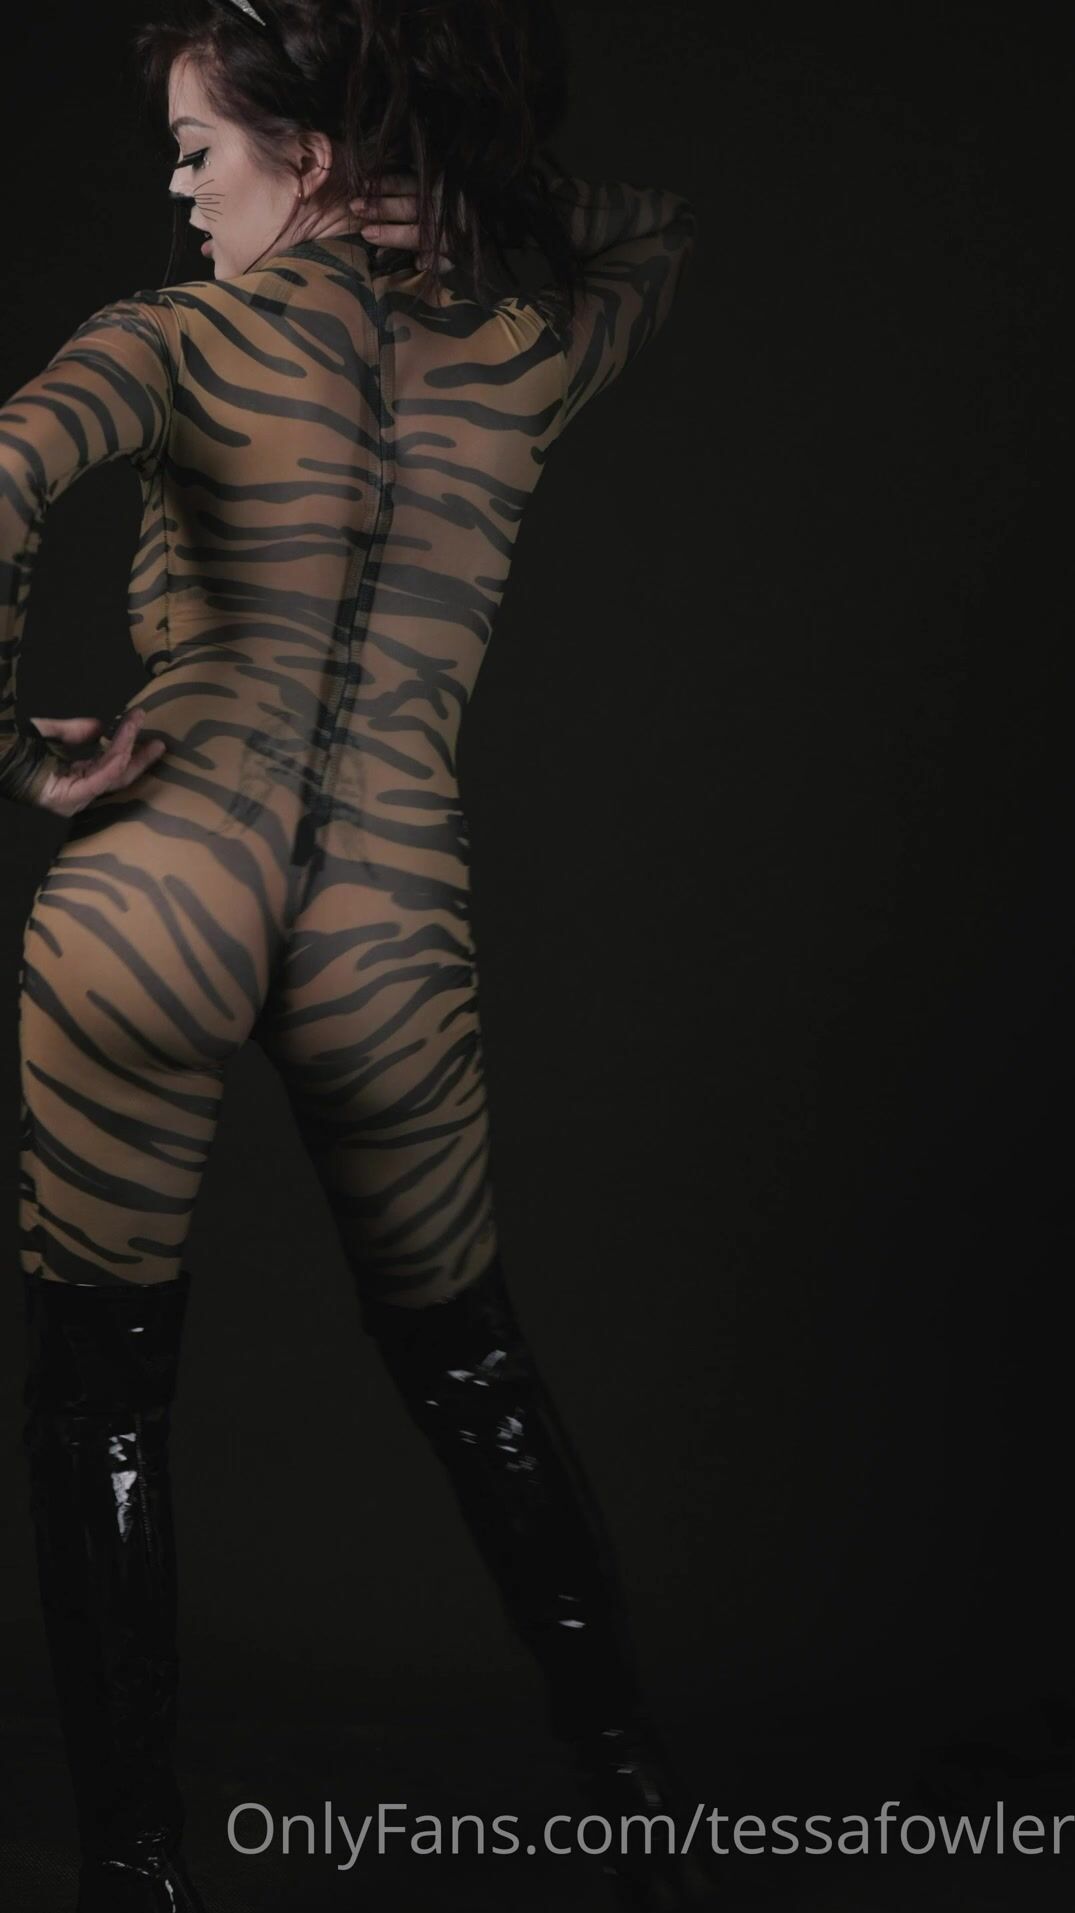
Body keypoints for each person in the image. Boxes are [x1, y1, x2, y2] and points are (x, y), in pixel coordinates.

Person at [1, 2, 704, 1906]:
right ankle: (641, 1803)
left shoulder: (174, 338)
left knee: (102, 1395)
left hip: (163, 887)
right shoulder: (524, 352)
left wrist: (18, 756)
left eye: (200, 151)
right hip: (388, 918)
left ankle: (138, 1870)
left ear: (308, 158)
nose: (178, 191)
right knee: (470, 1363)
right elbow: (654, 229)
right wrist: (471, 195)